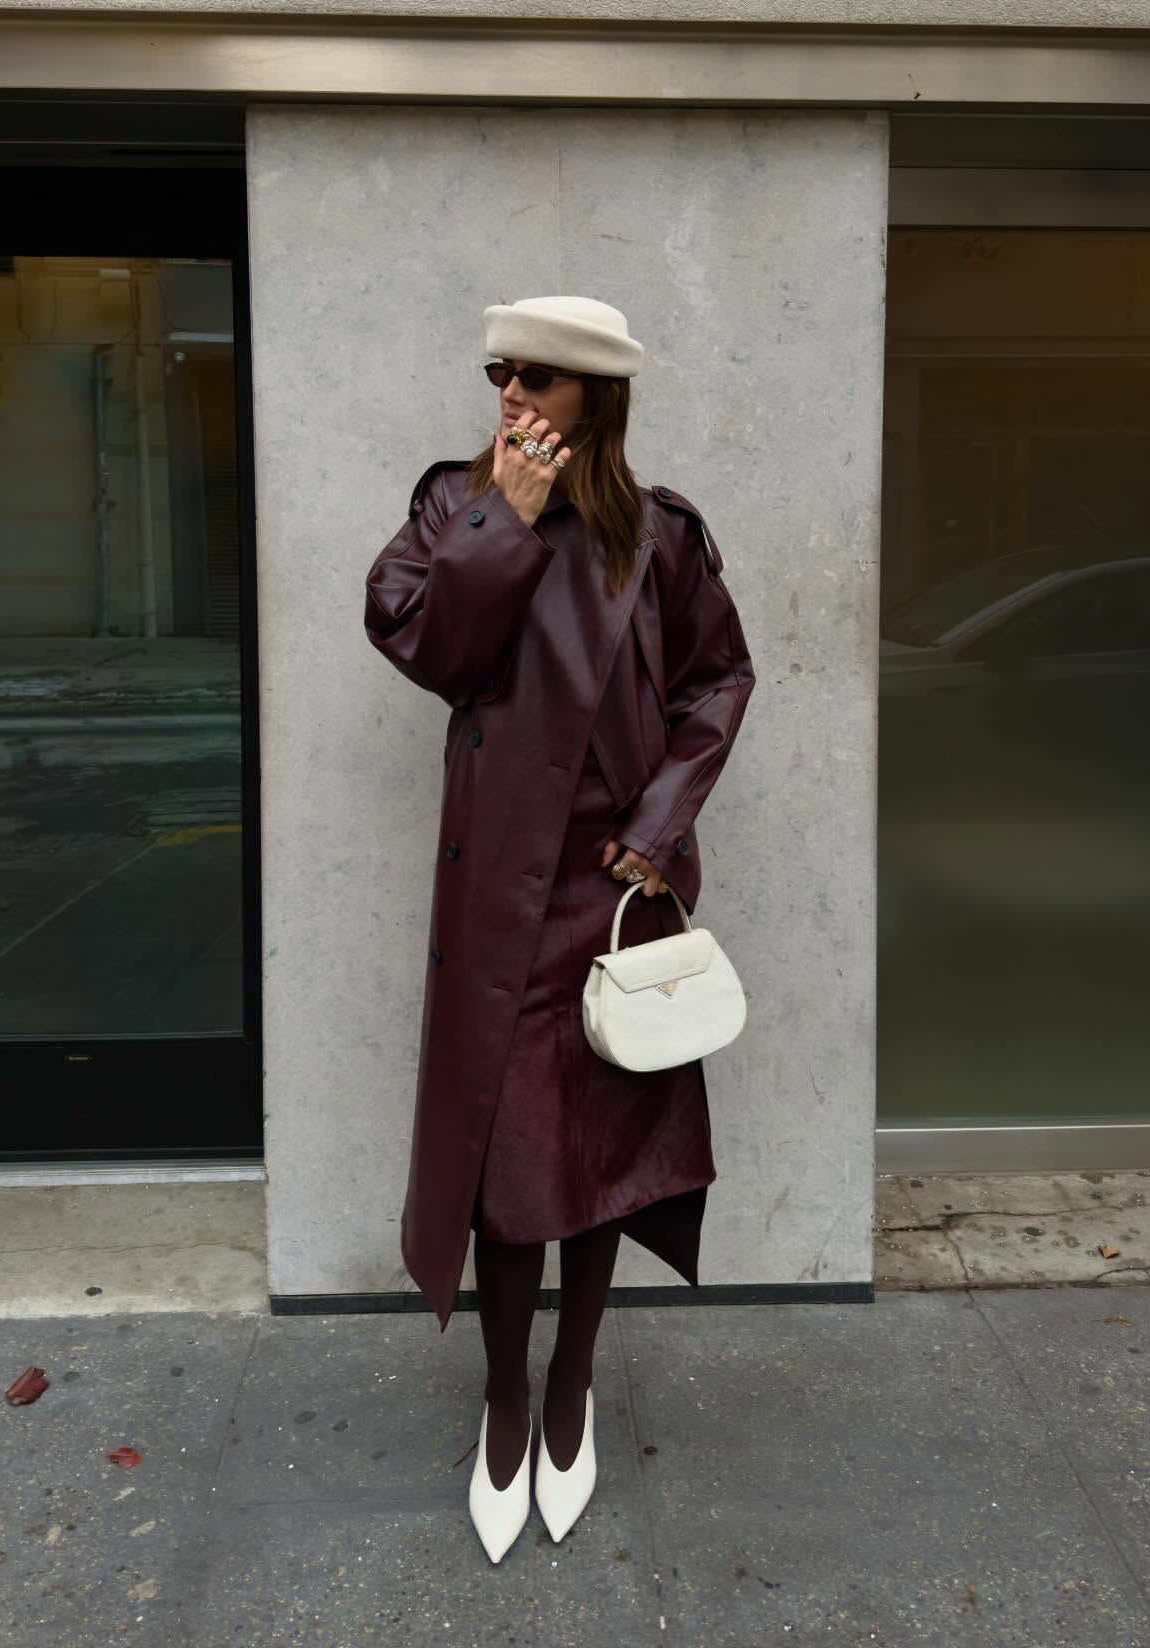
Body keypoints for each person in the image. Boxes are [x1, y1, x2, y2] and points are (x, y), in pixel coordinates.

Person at [363, 294, 756, 1562]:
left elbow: (719, 677)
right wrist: (506, 521)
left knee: (598, 1155)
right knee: (502, 1161)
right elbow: (426, 647)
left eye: (539, 376)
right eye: (503, 372)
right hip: (498, 897)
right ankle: (503, 1397)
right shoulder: (455, 506)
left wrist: (660, 818)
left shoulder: (660, 533)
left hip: (612, 888)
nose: (514, 395)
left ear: (598, 396)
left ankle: (572, 1386)